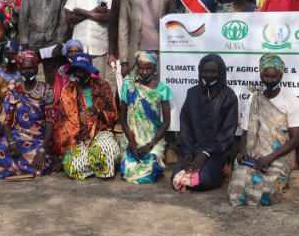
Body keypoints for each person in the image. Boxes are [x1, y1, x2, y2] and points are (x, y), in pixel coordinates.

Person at [229, 54, 299, 206]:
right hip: (254, 155)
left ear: (280, 76)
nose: (269, 80)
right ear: (261, 75)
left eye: (273, 76)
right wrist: (243, 150)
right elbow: (245, 131)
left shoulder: (290, 100)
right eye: (266, 76)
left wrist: (269, 158)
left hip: (278, 156)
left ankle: (282, 179)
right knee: (237, 192)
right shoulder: (253, 99)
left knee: (266, 195)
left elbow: (295, 139)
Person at [172, 54, 238, 192]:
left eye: (213, 71)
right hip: (194, 148)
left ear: (220, 73)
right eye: (205, 71)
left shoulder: (228, 96)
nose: (208, 74)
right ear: (200, 72)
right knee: (177, 179)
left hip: (216, 151)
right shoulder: (192, 93)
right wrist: (187, 151)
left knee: (200, 181)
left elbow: (228, 131)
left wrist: (207, 153)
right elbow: (185, 124)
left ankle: (222, 168)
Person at [0, 50, 56, 180]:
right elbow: (5, 120)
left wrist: (42, 149)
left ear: (36, 68)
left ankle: (15, 168)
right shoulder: (13, 90)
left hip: (39, 139)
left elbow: (50, 122)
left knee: (40, 163)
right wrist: (11, 142)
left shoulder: (47, 90)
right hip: (18, 136)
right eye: (24, 68)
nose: (28, 71)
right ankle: (22, 168)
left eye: (31, 68)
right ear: (19, 69)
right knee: (1, 147)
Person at [54, 53, 119, 179]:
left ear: (90, 70)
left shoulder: (102, 85)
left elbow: (113, 115)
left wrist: (99, 112)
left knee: (109, 149)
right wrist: (63, 155)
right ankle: (98, 163)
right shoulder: (68, 90)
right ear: (73, 72)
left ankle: (99, 162)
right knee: (72, 166)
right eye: (77, 71)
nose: (81, 74)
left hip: (101, 132)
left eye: (84, 70)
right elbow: (64, 122)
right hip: (78, 136)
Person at [119, 51, 174, 184]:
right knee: (127, 171)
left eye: (148, 68)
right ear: (137, 68)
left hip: (153, 139)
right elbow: (122, 115)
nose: (144, 71)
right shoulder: (128, 85)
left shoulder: (162, 88)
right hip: (131, 138)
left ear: (154, 69)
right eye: (141, 68)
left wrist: (150, 145)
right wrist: (130, 140)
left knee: (152, 169)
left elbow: (166, 121)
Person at [118, 0, 175, 77]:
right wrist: (124, 62)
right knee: (135, 93)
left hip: (161, 54)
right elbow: (123, 30)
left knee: (158, 92)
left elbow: (173, 27)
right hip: (136, 55)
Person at [18, 0, 70, 86]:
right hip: (31, 40)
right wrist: (25, 44)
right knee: (28, 74)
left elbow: (63, 19)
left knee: (52, 77)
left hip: (52, 42)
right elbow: (23, 16)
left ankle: (51, 102)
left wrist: (59, 44)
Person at [64, 0, 114, 79]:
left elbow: (107, 17)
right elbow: (69, 18)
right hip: (78, 47)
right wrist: (94, 11)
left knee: (97, 81)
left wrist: (81, 11)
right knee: (78, 79)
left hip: (99, 45)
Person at [108, 0, 141, 96]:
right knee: (123, 90)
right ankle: (124, 116)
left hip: (142, 49)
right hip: (121, 52)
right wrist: (111, 53)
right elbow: (113, 26)